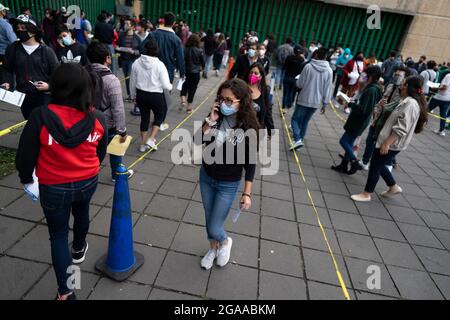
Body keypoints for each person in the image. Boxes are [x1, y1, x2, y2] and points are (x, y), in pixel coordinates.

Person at [15, 63, 108, 300]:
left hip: (53, 186)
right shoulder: (96, 118)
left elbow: (25, 156)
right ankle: (78, 248)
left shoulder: (41, 116)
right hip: (88, 180)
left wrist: (26, 179)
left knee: (57, 236)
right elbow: (100, 151)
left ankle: (66, 291)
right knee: (82, 211)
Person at [199, 79, 259, 270]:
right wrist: (211, 120)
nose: (224, 104)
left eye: (229, 100)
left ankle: (224, 242)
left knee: (215, 227)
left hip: (228, 183)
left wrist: (247, 193)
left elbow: (250, 163)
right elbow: (196, 140)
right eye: (221, 99)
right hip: (206, 177)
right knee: (210, 222)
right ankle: (213, 249)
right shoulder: (214, 119)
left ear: (241, 102)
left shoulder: (248, 127)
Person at [351, 76, 428, 202]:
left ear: (407, 86)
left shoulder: (411, 104)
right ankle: (393, 187)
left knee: (375, 165)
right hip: (390, 140)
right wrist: (382, 106)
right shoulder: (406, 100)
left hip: (392, 142)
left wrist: (387, 143)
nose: (400, 86)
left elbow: (401, 128)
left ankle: (366, 194)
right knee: (379, 164)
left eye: (403, 84)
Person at [86, 41, 132, 180]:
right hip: (107, 123)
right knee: (115, 150)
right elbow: (117, 107)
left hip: (86, 120)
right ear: (107, 58)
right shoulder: (112, 79)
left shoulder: (81, 73)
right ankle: (116, 174)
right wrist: (122, 130)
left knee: (90, 150)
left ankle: (87, 173)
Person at [2, 15, 59, 119]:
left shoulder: (46, 51)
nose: (19, 30)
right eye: (17, 27)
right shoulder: (13, 48)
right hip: (23, 96)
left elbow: (57, 73)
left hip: (44, 97)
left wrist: (49, 85)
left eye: (23, 28)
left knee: (46, 124)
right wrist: (6, 82)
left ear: (33, 31)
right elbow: (6, 69)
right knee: (31, 124)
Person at [331, 65, 383, 174]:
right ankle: (343, 165)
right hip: (360, 121)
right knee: (349, 142)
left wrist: (351, 104)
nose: (364, 76)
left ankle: (354, 162)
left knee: (343, 141)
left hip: (358, 121)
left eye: (366, 75)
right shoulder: (372, 88)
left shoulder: (372, 90)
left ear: (371, 76)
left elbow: (364, 110)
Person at [360, 67, 409, 171]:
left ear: (405, 79)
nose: (396, 77)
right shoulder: (390, 86)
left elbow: (401, 110)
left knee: (384, 145)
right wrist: (379, 106)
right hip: (379, 118)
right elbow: (382, 100)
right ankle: (365, 161)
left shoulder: (406, 94)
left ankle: (388, 165)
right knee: (370, 140)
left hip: (390, 123)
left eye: (399, 76)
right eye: (395, 75)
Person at [130, 38, 172, 152]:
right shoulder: (160, 65)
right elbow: (166, 85)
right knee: (159, 116)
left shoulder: (136, 63)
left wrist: (133, 95)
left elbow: (132, 82)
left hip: (141, 94)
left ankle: (143, 145)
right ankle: (151, 138)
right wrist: (171, 86)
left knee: (144, 119)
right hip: (156, 95)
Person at [290, 47, 333, 150]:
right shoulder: (329, 71)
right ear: (326, 57)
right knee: (305, 121)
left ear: (316, 55)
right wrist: (325, 103)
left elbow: (300, 84)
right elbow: (328, 89)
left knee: (295, 119)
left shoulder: (308, 67)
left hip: (304, 98)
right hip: (316, 102)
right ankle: (299, 142)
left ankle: (297, 139)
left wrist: (297, 81)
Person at [244, 62, 274, 136]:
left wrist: (271, 130)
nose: (252, 75)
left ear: (260, 76)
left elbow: (268, 111)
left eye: (256, 73)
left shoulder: (264, 91)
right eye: (251, 72)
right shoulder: (242, 88)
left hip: (257, 130)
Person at [116, 20, 141, 101]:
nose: (126, 25)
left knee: (130, 78)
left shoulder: (137, 38)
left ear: (133, 27)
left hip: (132, 60)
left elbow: (141, 51)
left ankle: (133, 95)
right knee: (126, 78)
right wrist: (117, 49)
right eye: (125, 23)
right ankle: (130, 95)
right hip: (123, 60)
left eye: (128, 24)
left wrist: (134, 52)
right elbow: (117, 46)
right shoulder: (121, 35)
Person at [180, 34, 205, 114]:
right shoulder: (199, 50)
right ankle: (189, 108)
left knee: (185, 84)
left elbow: (182, 60)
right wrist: (202, 68)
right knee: (193, 89)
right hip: (196, 72)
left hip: (187, 71)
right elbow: (202, 62)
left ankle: (183, 98)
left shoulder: (185, 49)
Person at [282, 45, 305, 112]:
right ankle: (289, 104)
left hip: (287, 77)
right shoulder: (301, 59)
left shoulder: (289, 57)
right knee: (292, 92)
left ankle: (284, 107)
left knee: (285, 93)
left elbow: (284, 67)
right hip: (295, 79)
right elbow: (301, 70)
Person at [428, 72, 450, 136]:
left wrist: (434, 87)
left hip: (440, 97)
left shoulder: (448, 75)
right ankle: (441, 130)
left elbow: (444, 87)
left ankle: (419, 123)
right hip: (448, 98)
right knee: (443, 114)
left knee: (426, 109)